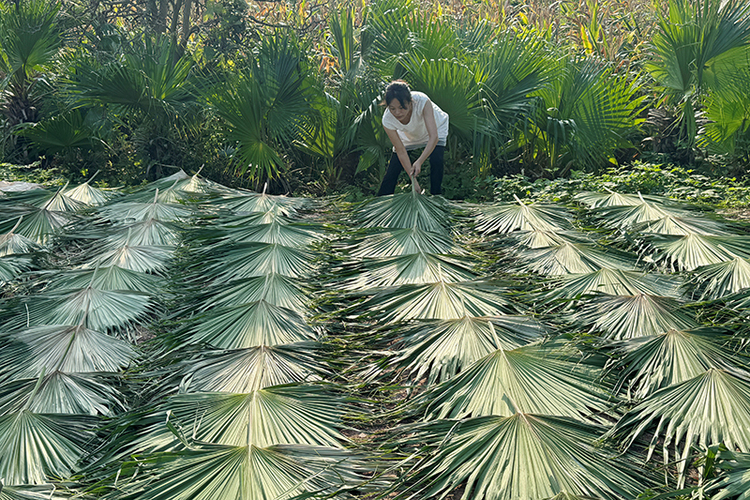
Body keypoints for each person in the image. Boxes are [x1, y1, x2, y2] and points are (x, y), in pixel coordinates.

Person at [377, 81, 449, 196]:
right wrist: (413, 181)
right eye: (392, 108)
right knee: (393, 169)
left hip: (435, 130)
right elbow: (400, 151)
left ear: (411, 102)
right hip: (409, 136)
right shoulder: (387, 119)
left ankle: (437, 199)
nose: (397, 113)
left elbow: (434, 137)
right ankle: (380, 203)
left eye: (402, 107)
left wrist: (419, 161)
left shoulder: (422, 101)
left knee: (436, 160)